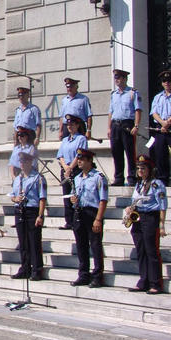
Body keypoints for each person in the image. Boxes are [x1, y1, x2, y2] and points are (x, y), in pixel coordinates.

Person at [125, 155, 167, 294]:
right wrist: (129, 209)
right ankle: (144, 280)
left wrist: (161, 225)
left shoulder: (156, 184)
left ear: (149, 169)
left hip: (150, 218)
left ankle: (156, 283)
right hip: (138, 217)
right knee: (141, 250)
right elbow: (135, 200)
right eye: (138, 168)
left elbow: (162, 205)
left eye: (143, 168)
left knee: (151, 251)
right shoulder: (138, 184)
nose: (140, 171)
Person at [70, 149, 108, 288]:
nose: (79, 162)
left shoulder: (98, 177)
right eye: (78, 159)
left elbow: (103, 200)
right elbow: (73, 195)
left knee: (95, 245)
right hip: (79, 212)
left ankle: (98, 276)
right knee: (81, 245)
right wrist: (73, 200)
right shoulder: (77, 178)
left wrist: (98, 219)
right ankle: (83, 274)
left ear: (89, 161)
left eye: (82, 159)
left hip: (92, 213)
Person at [9, 152, 47, 280]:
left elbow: (42, 198)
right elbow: (12, 196)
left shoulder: (38, 178)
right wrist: (15, 199)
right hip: (20, 210)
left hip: (32, 210)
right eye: (21, 161)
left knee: (34, 241)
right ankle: (25, 267)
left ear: (30, 162)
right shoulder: (17, 179)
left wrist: (40, 215)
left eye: (25, 161)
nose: (22, 164)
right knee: (23, 242)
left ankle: (37, 269)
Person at [108, 69, 141, 187]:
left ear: (124, 79)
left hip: (127, 124)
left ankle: (132, 177)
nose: (117, 80)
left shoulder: (132, 92)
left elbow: (138, 110)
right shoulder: (114, 95)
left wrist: (136, 125)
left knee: (130, 152)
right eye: (115, 78)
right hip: (115, 125)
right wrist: (109, 128)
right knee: (116, 152)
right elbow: (111, 112)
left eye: (119, 78)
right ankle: (118, 178)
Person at [56, 114, 88, 230]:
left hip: (76, 169)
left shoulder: (81, 139)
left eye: (72, 124)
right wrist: (65, 167)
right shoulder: (65, 140)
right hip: (65, 170)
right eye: (68, 125)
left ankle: (77, 220)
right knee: (66, 195)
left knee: (75, 195)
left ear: (77, 125)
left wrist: (70, 168)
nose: (69, 127)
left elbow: (79, 154)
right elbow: (60, 155)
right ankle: (68, 221)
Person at [149, 70, 171, 186]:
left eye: (169, 80)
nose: (167, 82)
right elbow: (154, 113)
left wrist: (168, 123)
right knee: (160, 154)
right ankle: (163, 179)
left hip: (170, 126)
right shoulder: (158, 97)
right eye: (164, 81)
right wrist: (163, 123)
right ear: (162, 83)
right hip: (160, 128)